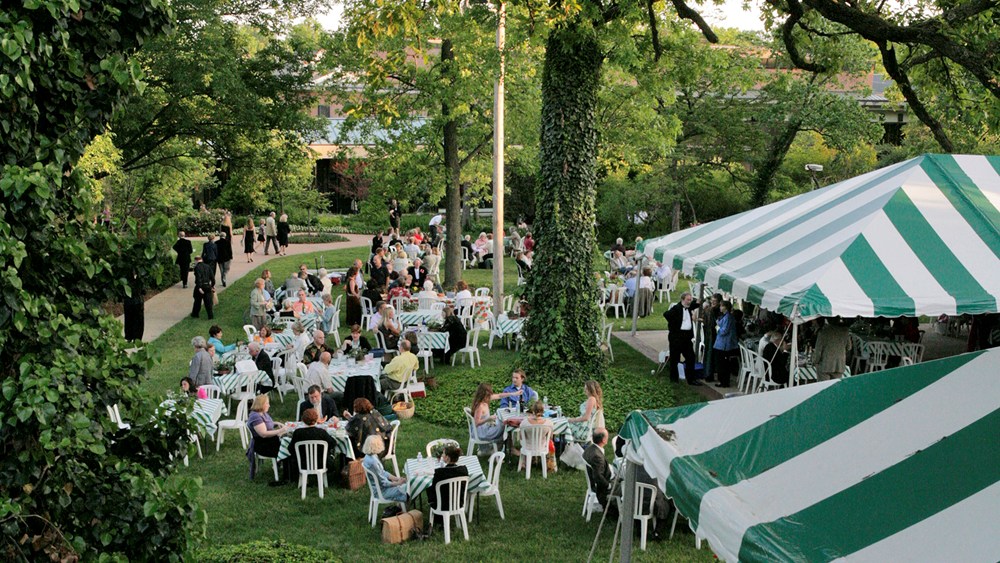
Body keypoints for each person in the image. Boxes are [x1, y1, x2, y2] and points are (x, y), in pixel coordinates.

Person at [286, 408, 340, 483]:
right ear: (316, 419)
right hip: (322, 463)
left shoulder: (297, 433)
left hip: (301, 464)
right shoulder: (321, 432)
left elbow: (290, 449)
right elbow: (333, 443)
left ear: (303, 420)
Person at [246, 394, 291, 481]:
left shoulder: (262, 414)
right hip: (263, 445)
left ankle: (287, 469)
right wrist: (280, 431)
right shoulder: (255, 417)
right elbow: (263, 433)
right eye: (267, 403)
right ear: (261, 404)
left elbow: (267, 424)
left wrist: (277, 423)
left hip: (269, 442)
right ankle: (288, 473)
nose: (269, 405)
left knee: (288, 441)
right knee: (289, 446)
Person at [664, 292, 703, 385]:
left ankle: (691, 379)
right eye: (688, 300)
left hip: (686, 338)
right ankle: (674, 379)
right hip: (677, 337)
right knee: (675, 358)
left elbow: (694, 305)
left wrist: (698, 302)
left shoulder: (689, 307)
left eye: (690, 300)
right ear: (682, 300)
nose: (689, 302)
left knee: (691, 357)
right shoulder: (676, 308)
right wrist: (674, 325)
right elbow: (666, 314)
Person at [470, 383, 519, 452]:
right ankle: (500, 450)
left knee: (503, 424)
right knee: (505, 426)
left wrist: (513, 394)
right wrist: (488, 419)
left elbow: (499, 395)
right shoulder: (480, 406)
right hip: (482, 432)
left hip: (485, 428)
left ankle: (503, 448)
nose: (490, 396)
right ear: (484, 394)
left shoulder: (485, 399)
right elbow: (476, 423)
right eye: (488, 394)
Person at [362, 435, 408, 502]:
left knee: (404, 486)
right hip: (382, 492)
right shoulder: (373, 463)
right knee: (407, 488)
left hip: (379, 488)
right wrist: (398, 483)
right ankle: (406, 509)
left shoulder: (369, 456)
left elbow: (383, 472)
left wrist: (397, 479)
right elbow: (383, 483)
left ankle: (402, 508)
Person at [428, 444, 467, 523]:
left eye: (443, 454)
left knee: (430, 491)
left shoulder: (440, 473)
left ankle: (437, 519)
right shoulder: (463, 470)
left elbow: (434, 488)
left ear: (447, 457)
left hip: (442, 505)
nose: (442, 455)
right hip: (458, 503)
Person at [583, 429, 617, 519]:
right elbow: (598, 476)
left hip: (603, 476)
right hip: (604, 485)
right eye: (607, 436)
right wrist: (609, 485)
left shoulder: (590, 448)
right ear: (603, 440)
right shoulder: (597, 457)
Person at [712, 301, 739, 387]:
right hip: (720, 343)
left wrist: (717, 328)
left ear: (726, 307)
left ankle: (724, 382)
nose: (720, 307)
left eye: (722, 306)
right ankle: (721, 380)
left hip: (724, 345)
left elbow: (724, 331)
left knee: (723, 364)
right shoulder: (724, 316)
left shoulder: (728, 317)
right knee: (720, 363)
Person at [702, 294, 722, 380]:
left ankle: (712, 373)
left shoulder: (718, 311)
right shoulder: (709, 311)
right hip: (711, 335)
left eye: (715, 301)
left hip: (715, 335)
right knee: (710, 353)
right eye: (712, 301)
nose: (713, 302)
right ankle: (708, 374)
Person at [217, 212, 234, 287]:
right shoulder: (229, 224)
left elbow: (220, 232)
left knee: (221, 267)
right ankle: (224, 276)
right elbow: (230, 232)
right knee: (227, 249)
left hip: (222, 237)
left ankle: (223, 277)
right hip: (227, 238)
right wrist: (232, 238)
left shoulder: (221, 224)